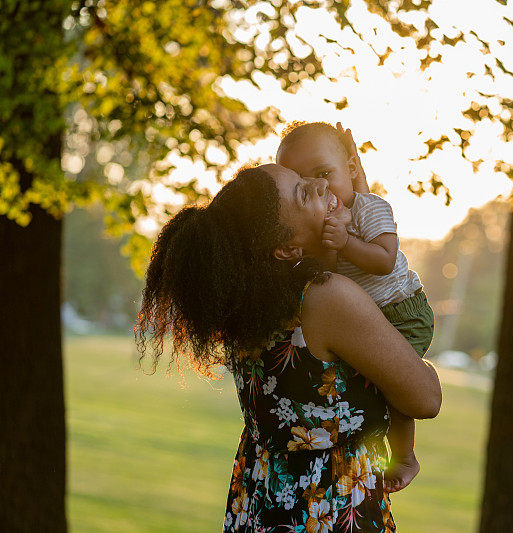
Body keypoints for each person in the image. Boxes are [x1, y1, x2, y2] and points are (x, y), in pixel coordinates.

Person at [134, 163, 442, 532]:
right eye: (301, 190)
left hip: (261, 502)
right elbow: (426, 399)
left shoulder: (250, 310)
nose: (320, 182)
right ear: (285, 248)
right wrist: (424, 367)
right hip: (326, 511)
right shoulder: (325, 298)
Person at [276, 121, 435, 494]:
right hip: (371, 316)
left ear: (350, 169)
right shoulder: (329, 222)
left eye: (324, 173)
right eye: (301, 181)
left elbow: (383, 259)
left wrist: (344, 242)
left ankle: (405, 454)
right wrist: (331, 242)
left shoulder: (372, 207)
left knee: (394, 388)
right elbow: (330, 275)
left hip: (401, 311)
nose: (318, 185)